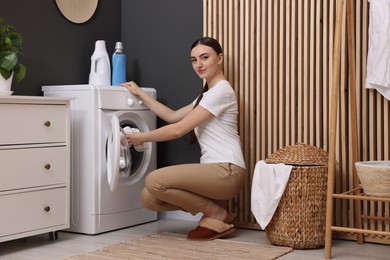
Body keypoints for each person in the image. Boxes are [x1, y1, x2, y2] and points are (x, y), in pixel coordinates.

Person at [121, 36, 246, 241]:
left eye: (205, 57)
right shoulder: (206, 95)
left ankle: (216, 214)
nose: (199, 64)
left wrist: (141, 138)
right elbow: (172, 116)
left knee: (154, 180)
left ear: (220, 58)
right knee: (148, 198)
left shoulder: (221, 92)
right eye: (194, 60)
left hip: (227, 171)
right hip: (214, 173)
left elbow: (178, 129)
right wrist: (140, 93)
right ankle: (214, 210)